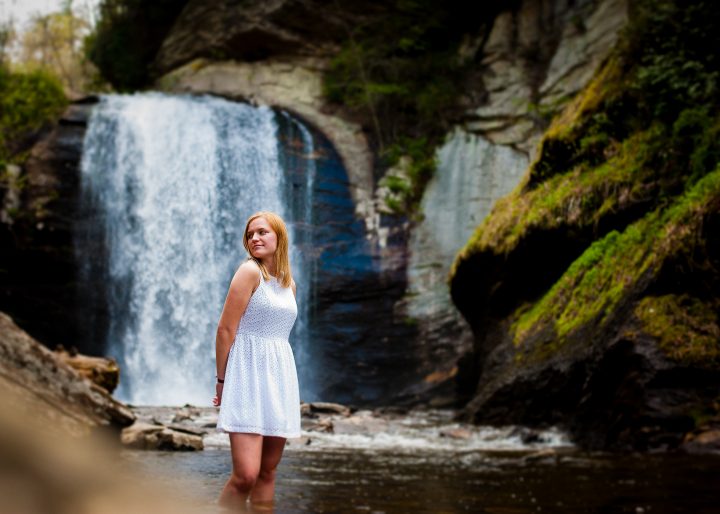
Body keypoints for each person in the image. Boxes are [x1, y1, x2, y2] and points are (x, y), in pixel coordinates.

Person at [213, 211, 300, 511]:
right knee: (245, 476)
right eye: (250, 235)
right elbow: (226, 330)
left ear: (279, 237)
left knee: (267, 472)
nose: (255, 238)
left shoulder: (289, 284)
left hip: (280, 378)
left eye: (262, 232)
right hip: (247, 378)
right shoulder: (249, 272)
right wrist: (222, 382)